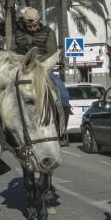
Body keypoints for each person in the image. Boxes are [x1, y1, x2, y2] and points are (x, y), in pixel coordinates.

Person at [12, 7, 70, 143]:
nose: (33, 28)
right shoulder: (18, 33)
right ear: (25, 24)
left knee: (63, 93)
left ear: (39, 21)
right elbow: (12, 50)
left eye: (35, 25)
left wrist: (38, 63)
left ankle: (62, 130)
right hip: (22, 69)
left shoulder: (48, 32)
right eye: (29, 25)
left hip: (43, 68)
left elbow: (52, 52)